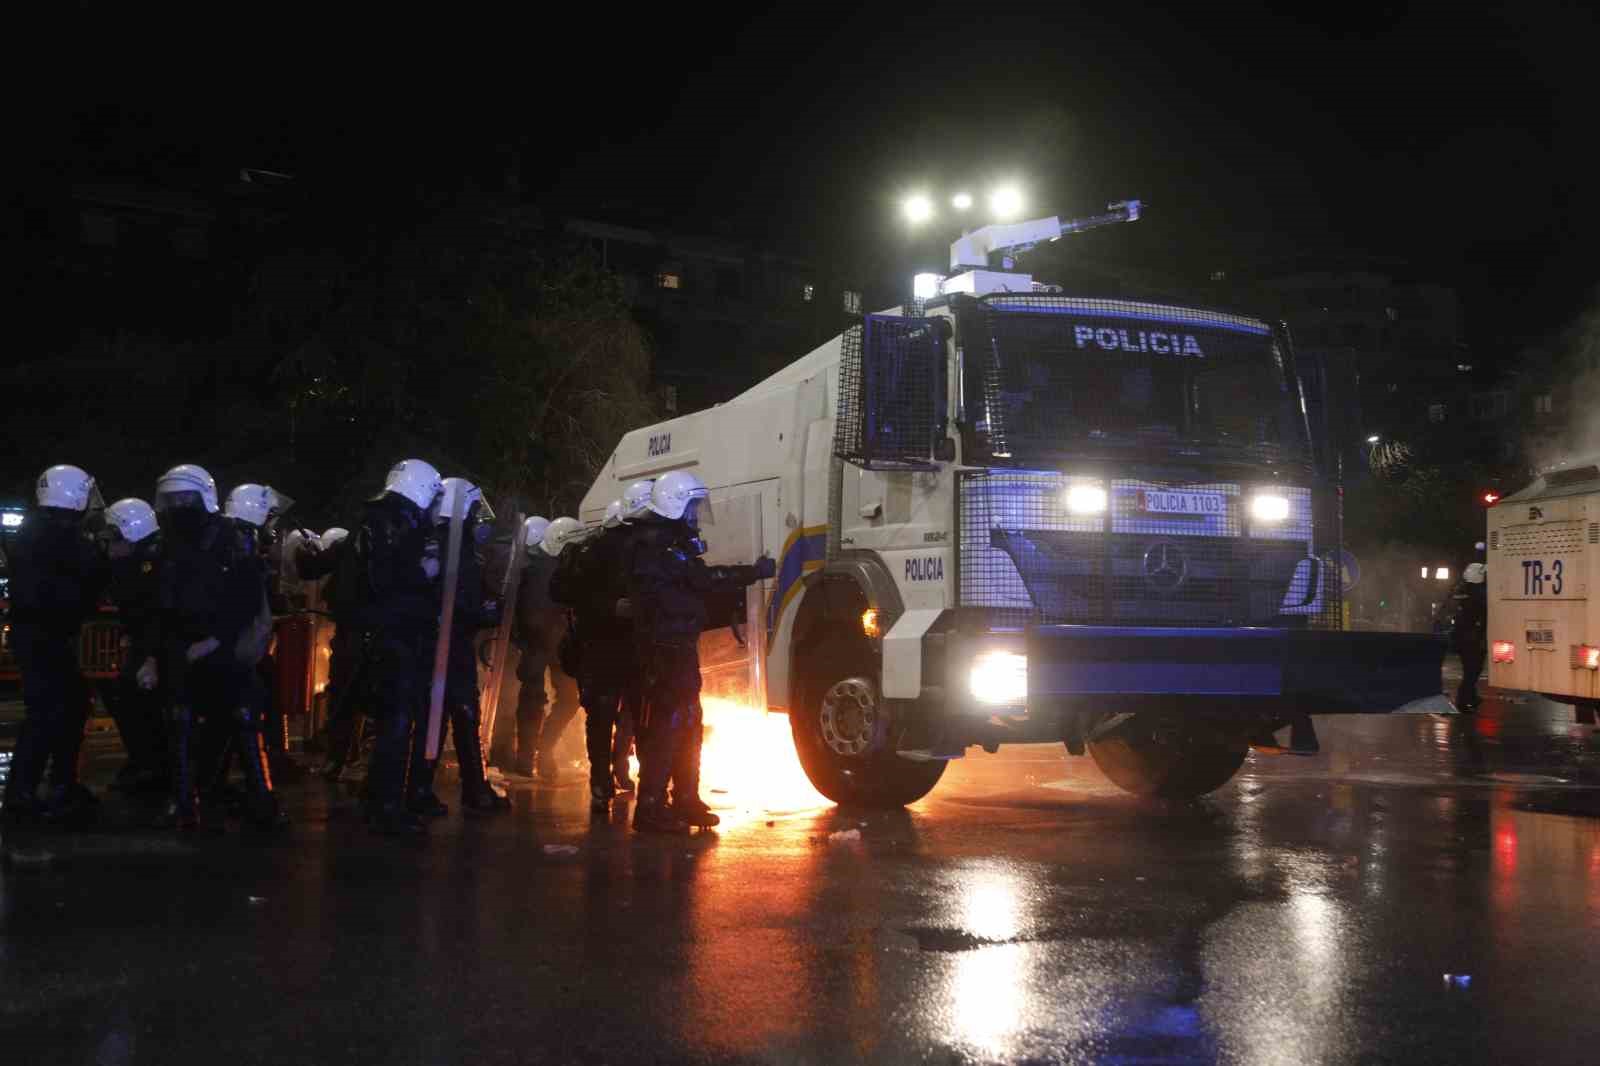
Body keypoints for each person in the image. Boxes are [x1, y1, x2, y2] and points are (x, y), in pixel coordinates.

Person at [627, 471, 773, 833]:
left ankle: (685, 798)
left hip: (678, 647)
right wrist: (751, 573)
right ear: (675, 506)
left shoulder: (669, 544)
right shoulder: (655, 548)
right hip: (663, 651)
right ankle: (651, 806)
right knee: (666, 727)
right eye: (691, 507)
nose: (695, 516)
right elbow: (702, 581)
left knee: (689, 723)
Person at [155, 464, 285, 832]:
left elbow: (244, 598)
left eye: (186, 497)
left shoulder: (229, 539)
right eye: (174, 498)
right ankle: (186, 802)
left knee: (243, 720)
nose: (179, 505)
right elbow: (162, 605)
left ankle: (261, 802)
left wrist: (217, 639)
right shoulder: (171, 543)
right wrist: (157, 653)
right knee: (183, 723)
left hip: (222, 651)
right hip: (185, 649)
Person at [0, 465, 110, 828]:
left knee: (65, 708)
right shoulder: (64, 537)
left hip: (38, 633)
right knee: (49, 714)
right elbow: (89, 579)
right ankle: (27, 793)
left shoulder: (34, 530)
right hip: (47, 636)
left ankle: (57, 784)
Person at [406, 478, 511, 817]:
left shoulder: (460, 546)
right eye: (474, 510)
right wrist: (481, 613)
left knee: (463, 716)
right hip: (439, 647)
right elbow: (444, 598)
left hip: (454, 644)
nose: (480, 517)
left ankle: (471, 787)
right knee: (435, 718)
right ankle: (422, 788)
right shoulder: (441, 545)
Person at [352, 458, 444, 835]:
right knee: (396, 723)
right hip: (395, 635)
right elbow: (387, 579)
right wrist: (423, 572)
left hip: (391, 633)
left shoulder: (383, 519)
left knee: (393, 721)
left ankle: (379, 798)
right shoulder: (391, 523)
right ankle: (387, 806)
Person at [554, 495, 644, 811]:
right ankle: (603, 778)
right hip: (603, 647)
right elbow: (572, 597)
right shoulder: (594, 554)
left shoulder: (630, 550)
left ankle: (610, 775)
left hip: (620, 647)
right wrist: (611, 608)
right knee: (610, 715)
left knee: (617, 716)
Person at [493, 516, 583, 779]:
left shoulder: (561, 568)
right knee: (534, 699)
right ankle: (528, 756)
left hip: (555, 642)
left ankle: (540, 752)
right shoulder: (535, 570)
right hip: (537, 642)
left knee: (567, 698)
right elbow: (528, 611)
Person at [101, 498, 167, 792]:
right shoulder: (137, 563)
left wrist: (150, 658)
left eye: (114, 537)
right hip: (146, 645)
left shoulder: (148, 567)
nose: (109, 547)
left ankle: (152, 766)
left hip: (155, 648)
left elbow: (156, 614)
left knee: (135, 703)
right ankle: (146, 762)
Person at [1451, 555, 1488, 711]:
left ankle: (1470, 697)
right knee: (1473, 670)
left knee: (1469, 670)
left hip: (1462, 638)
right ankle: (1464, 699)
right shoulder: (1478, 594)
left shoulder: (1462, 591)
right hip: (1473, 639)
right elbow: (1483, 614)